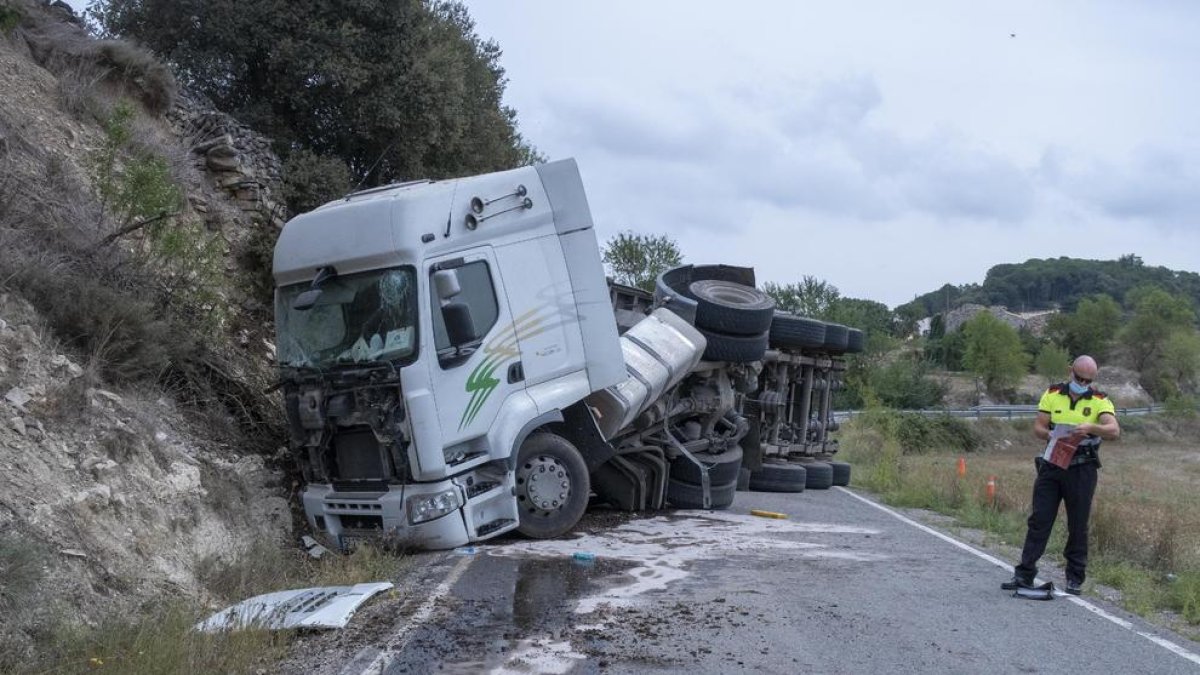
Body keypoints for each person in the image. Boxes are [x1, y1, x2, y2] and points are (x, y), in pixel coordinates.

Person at [1002, 355, 1120, 595]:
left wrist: (1090, 428)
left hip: (1081, 467)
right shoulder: (1053, 393)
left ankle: (1075, 577)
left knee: (1078, 524)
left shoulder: (1100, 400)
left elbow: (1113, 430)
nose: (1083, 383)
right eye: (1079, 378)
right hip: (1053, 463)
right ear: (1070, 372)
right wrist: (1052, 435)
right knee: (1039, 519)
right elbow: (1038, 426)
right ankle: (1024, 573)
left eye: (1088, 380)